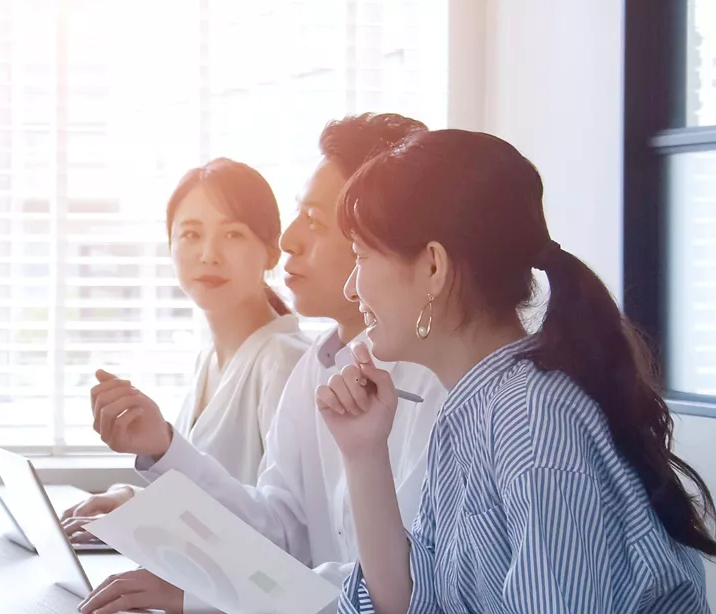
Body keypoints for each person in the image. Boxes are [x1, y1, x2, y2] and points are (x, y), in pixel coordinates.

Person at [316, 129, 716, 613]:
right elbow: (410, 603)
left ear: (432, 268)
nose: (349, 288)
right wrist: (363, 453)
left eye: (361, 257)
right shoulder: (482, 408)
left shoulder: (531, 416)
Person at [75, 114, 448, 614]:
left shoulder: (438, 386)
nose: (288, 241)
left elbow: (393, 584)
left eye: (314, 222)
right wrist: (164, 453)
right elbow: (276, 529)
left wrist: (208, 595)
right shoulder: (317, 364)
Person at [59, 158, 310, 521]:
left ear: (272, 249)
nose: (209, 255)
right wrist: (135, 499)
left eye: (233, 234)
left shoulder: (285, 362)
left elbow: (283, 528)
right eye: (191, 234)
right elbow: (215, 493)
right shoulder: (209, 357)